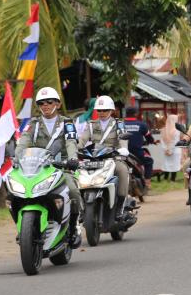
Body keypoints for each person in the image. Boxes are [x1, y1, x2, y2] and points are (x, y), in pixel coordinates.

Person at [15, 86, 83, 248]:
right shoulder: (33, 124)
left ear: (58, 104)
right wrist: (16, 158)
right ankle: (23, 230)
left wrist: (72, 159)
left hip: (62, 167)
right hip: (38, 169)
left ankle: (73, 227)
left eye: (49, 102)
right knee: (16, 193)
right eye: (41, 103)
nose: (45, 105)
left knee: (73, 190)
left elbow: (71, 143)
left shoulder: (67, 123)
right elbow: (23, 141)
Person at [77, 95, 131, 221]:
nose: (102, 113)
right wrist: (75, 149)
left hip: (113, 158)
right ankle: (81, 209)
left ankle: (120, 209)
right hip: (94, 159)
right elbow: (82, 140)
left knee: (123, 171)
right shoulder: (91, 125)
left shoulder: (118, 124)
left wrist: (123, 149)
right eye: (99, 110)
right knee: (77, 175)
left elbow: (123, 138)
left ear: (111, 110)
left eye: (105, 110)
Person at [123, 105, 155, 187]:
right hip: (137, 153)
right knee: (149, 161)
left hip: (123, 153)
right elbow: (149, 138)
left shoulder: (121, 124)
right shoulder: (142, 125)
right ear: (136, 114)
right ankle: (147, 182)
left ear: (126, 113)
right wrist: (151, 141)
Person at [158, 113, 182, 181]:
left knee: (166, 164)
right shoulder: (177, 130)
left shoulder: (163, 130)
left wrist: (166, 149)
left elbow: (162, 141)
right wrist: (170, 150)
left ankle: (165, 178)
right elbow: (175, 142)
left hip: (165, 151)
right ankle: (172, 179)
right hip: (175, 151)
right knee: (174, 165)